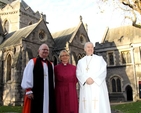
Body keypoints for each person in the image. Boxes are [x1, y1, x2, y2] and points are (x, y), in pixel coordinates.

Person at [76, 42, 111, 113]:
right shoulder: (80, 62)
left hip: (97, 86)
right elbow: (78, 73)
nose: (90, 48)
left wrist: (93, 79)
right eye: (88, 47)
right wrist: (85, 79)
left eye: (92, 47)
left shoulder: (100, 59)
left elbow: (103, 70)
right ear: (85, 49)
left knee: (98, 107)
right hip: (86, 87)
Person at [21, 44, 56, 113]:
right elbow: (27, 75)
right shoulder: (32, 62)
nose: (45, 51)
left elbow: (53, 80)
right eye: (43, 49)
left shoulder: (51, 64)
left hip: (48, 92)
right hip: (36, 93)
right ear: (39, 51)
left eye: (47, 50)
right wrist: (28, 90)